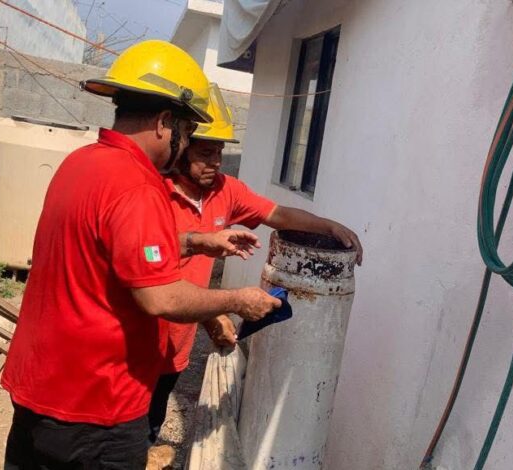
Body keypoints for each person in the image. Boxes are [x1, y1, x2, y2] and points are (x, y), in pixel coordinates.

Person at [0, 40, 280, 469]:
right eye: (187, 134)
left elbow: (103, 251)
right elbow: (161, 297)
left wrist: (194, 242)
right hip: (97, 408)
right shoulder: (139, 186)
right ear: (166, 122)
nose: (185, 147)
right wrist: (237, 300)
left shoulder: (81, 163)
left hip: (39, 390)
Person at [146, 84, 363, 444]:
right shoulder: (153, 194)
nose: (215, 162)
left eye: (219, 152)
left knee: (149, 426)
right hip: (141, 340)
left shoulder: (226, 190)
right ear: (182, 147)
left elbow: (277, 214)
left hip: (175, 348)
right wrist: (216, 311)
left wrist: (329, 225)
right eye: (205, 152)